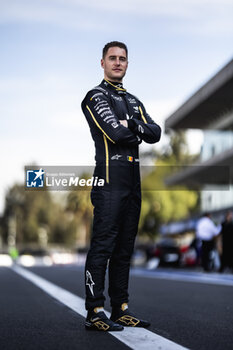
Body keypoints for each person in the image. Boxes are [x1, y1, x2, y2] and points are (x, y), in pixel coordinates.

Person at [81, 41, 161, 331]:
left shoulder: (134, 101)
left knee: (125, 249)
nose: (118, 63)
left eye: (123, 59)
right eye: (112, 58)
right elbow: (115, 132)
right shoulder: (95, 96)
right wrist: (133, 128)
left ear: (128, 63)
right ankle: (95, 311)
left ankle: (121, 309)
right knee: (103, 246)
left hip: (133, 185)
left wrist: (133, 125)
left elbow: (156, 133)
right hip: (109, 182)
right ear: (102, 62)